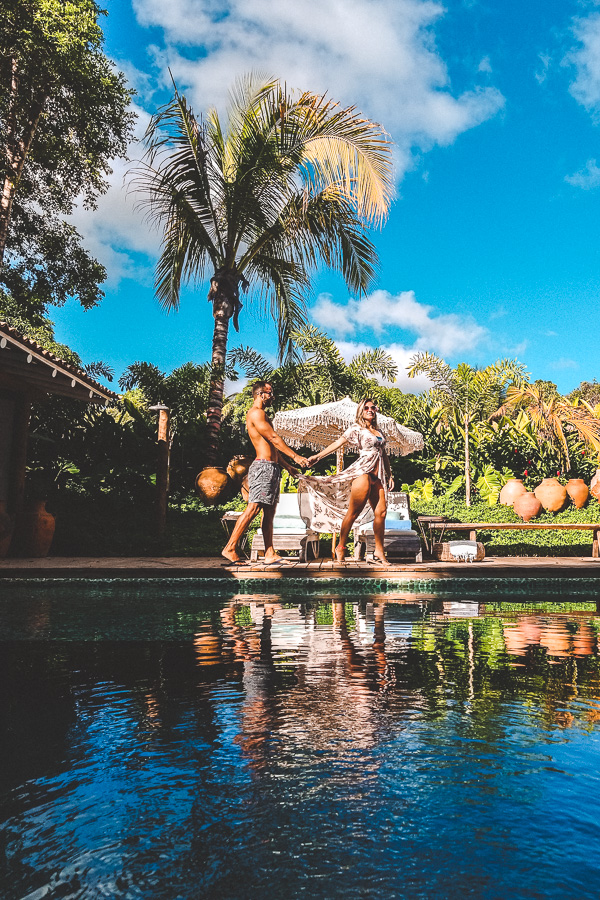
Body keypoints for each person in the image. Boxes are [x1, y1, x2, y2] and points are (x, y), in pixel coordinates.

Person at [222, 381, 309, 566]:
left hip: (272, 467)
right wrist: (296, 456)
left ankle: (269, 553)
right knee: (253, 508)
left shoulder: (263, 415)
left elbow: (272, 448)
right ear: (261, 394)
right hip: (262, 468)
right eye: (270, 393)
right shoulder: (256, 413)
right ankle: (230, 548)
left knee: (269, 512)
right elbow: (274, 439)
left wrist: (287, 466)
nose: (272, 397)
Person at [298, 398, 393, 565]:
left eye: (372, 407)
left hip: (377, 476)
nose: (370, 410)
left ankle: (379, 550)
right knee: (353, 512)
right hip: (362, 472)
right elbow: (337, 443)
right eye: (366, 408)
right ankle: (340, 547)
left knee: (382, 513)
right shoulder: (356, 429)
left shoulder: (379, 432)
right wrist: (318, 457)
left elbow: (383, 454)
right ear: (361, 412)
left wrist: (390, 475)